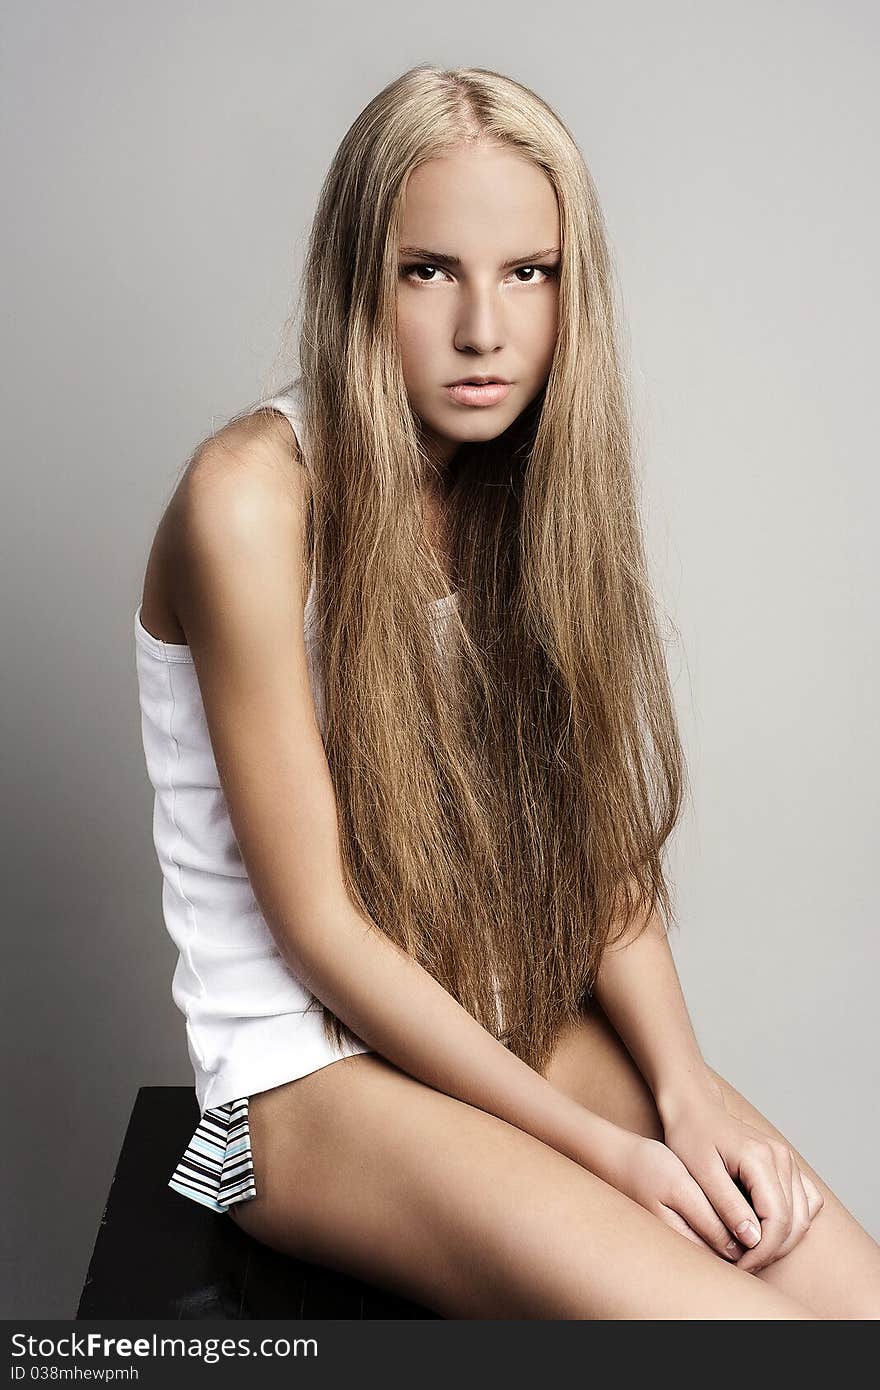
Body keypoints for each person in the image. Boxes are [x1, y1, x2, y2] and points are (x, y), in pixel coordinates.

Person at [134, 63, 880, 1319]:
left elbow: (591, 845)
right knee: (733, 1331)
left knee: (851, 1307)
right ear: (356, 279)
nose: (485, 329)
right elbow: (316, 926)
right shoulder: (249, 498)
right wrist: (611, 1154)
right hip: (295, 1086)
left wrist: (684, 1089)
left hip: (500, 1015)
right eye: (429, 270)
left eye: (528, 272)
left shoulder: (521, 478)